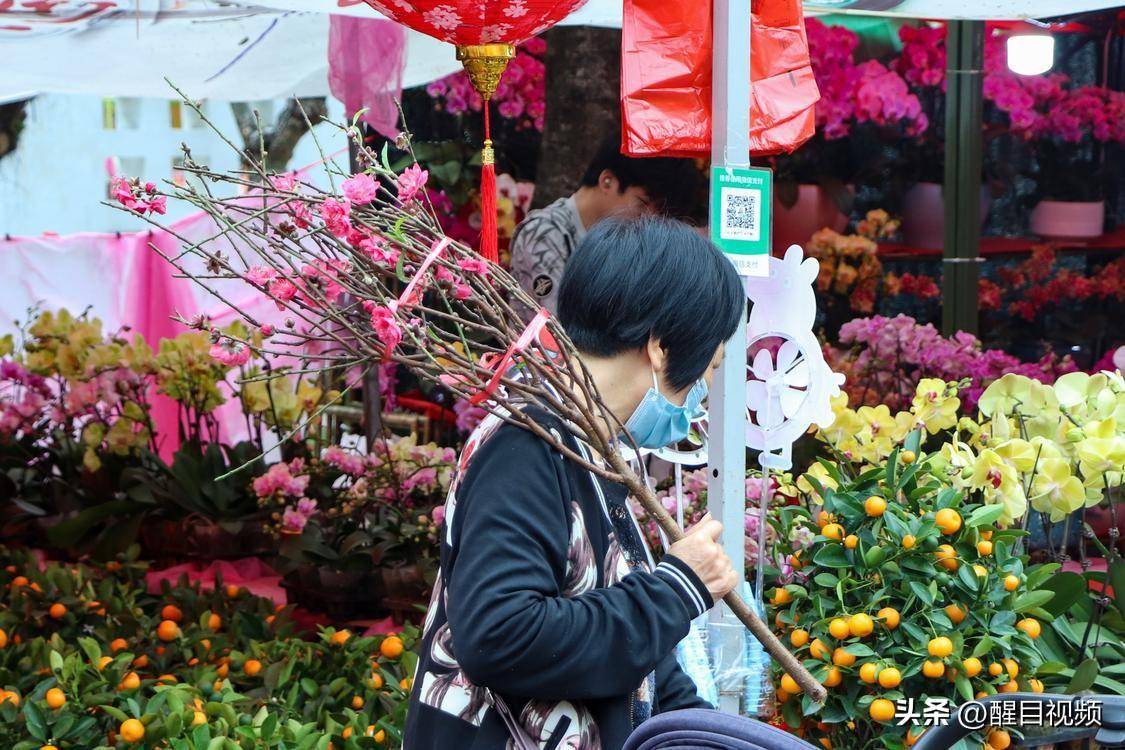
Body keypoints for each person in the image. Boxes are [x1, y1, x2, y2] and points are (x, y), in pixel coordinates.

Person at [404, 216, 745, 750]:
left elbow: (636, 654)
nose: (702, 390)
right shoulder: (527, 446)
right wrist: (677, 586)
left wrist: (716, 735)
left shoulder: (588, 448)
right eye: (709, 367)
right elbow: (501, 635)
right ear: (660, 347)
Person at [510, 138, 701, 321]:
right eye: (642, 205)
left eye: (658, 217)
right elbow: (555, 332)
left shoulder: (628, 243)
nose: (648, 223)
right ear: (607, 181)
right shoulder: (544, 234)